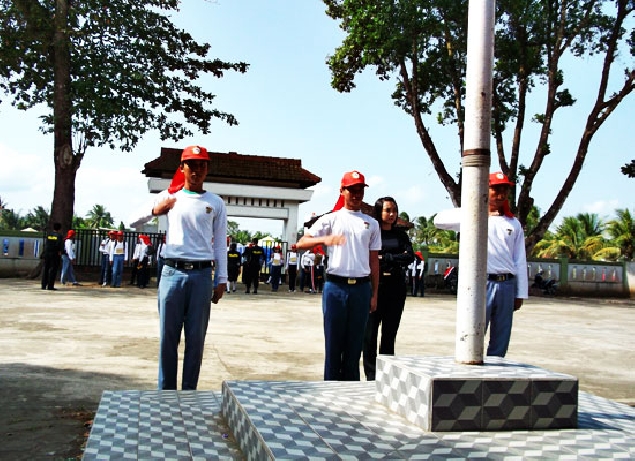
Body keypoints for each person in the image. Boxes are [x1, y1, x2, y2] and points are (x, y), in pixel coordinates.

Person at [151, 145, 228, 390]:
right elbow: (135, 219)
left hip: (202, 275)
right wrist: (156, 210)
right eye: (191, 165)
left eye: (201, 165)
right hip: (172, 273)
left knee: (196, 339)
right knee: (168, 338)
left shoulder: (215, 202)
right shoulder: (170, 196)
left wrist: (222, 278)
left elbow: (220, 244)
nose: (196, 170)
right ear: (182, 168)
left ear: (207, 169)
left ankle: (189, 394)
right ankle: (166, 393)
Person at [296, 170, 381, 381]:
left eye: (360, 189)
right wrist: (324, 240)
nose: (356, 194)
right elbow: (301, 243)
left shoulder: (371, 223)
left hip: (361, 288)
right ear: (342, 191)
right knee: (334, 344)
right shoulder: (331, 220)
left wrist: (375, 293)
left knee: (355, 345)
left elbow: (373, 261)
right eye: (352, 189)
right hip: (336, 287)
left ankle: (350, 390)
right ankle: (330, 388)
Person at [434, 171, 528, 357]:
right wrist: (474, 206)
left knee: (501, 337)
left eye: (504, 190)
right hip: (480, 284)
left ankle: (495, 374)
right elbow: (439, 220)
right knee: (472, 333)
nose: (500, 194)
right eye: (495, 189)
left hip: (506, 284)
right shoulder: (472, 217)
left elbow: (520, 260)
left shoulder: (513, 223)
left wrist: (520, 293)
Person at [362, 197, 415, 381]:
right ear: (379, 212)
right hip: (375, 286)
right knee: (370, 333)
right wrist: (393, 257)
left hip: (396, 287)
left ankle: (386, 375)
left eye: (394, 210)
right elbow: (370, 258)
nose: (391, 214)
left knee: (389, 333)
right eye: (387, 210)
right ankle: (370, 374)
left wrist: (386, 258)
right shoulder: (372, 233)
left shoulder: (401, 235)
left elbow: (409, 257)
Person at [41, 222, 63, 291]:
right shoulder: (59, 236)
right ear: (59, 229)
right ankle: (50, 286)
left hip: (47, 253)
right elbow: (59, 245)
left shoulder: (49, 235)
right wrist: (60, 251)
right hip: (55, 254)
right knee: (53, 269)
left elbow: (46, 244)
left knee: (46, 268)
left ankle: (43, 285)